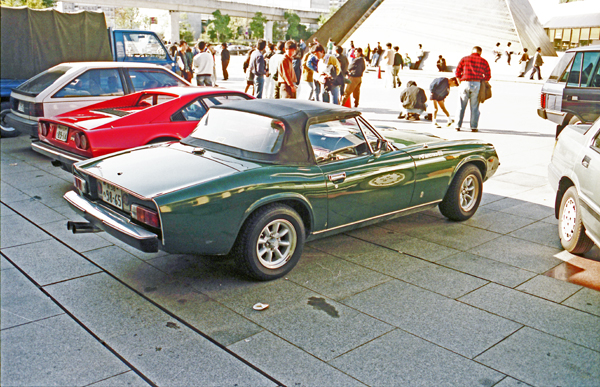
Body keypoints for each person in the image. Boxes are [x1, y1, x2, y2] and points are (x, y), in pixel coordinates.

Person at [455, 46, 491, 132]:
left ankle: (457, 126)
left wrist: (460, 82)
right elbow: (488, 75)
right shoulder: (484, 61)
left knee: (461, 106)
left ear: (471, 51)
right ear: (480, 52)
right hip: (476, 84)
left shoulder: (464, 59)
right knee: (475, 107)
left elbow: (457, 72)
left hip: (464, 82)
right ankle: (474, 127)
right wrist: (483, 81)